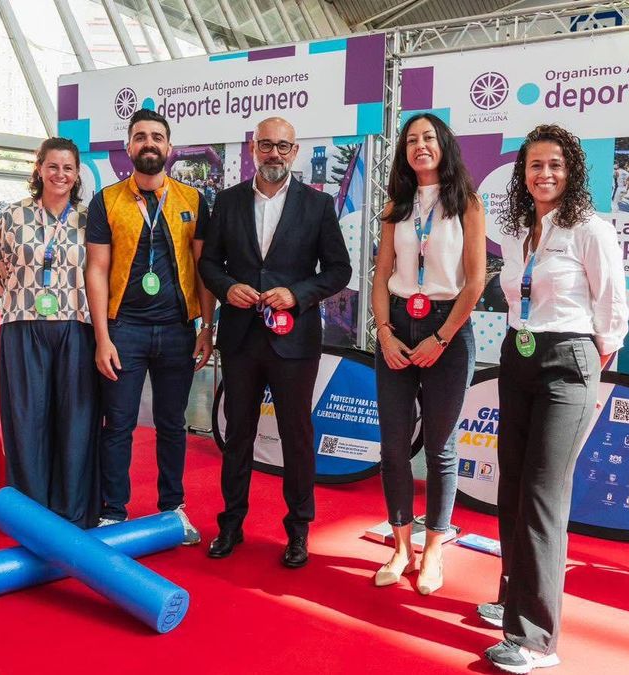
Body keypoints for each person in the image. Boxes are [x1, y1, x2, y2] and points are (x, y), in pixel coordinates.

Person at [478, 124, 628, 673]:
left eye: (556, 165)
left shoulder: (592, 229)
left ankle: (536, 639)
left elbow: (612, 312)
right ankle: (510, 600)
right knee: (512, 484)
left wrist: (587, 364)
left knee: (543, 495)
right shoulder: (519, 228)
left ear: (573, 172)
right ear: (522, 172)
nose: (545, 174)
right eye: (535, 165)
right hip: (518, 356)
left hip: (569, 362)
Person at [199, 116, 351, 568]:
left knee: (296, 436)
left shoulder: (318, 206)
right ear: (252, 149)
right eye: (266, 145)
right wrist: (228, 287)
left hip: (295, 342)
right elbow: (208, 264)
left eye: (283, 147)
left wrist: (298, 294)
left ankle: (299, 530)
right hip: (242, 338)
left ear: (296, 151)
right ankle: (230, 524)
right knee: (236, 433)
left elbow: (338, 270)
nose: (274, 155)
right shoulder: (225, 202)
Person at [85, 109, 214, 544]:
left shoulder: (193, 200)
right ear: (128, 147)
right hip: (125, 331)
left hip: (178, 329)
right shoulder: (106, 200)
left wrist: (207, 326)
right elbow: (96, 270)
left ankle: (172, 510)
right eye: (140, 137)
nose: (149, 144)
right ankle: (112, 512)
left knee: (173, 424)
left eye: (157, 137)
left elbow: (203, 268)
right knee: (117, 423)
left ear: (169, 148)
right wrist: (102, 336)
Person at [370, 113, 485, 594]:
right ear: (404, 151)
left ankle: (434, 548)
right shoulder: (397, 205)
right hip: (397, 322)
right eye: (412, 139)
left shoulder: (467, 203)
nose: (421, 145)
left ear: (444, 146)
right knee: (394, 446)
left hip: (447, 328)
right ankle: (401, 547)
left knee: (440, 448)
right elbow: (380, 276)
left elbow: (476, 281)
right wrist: (384, 332)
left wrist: (440, 339)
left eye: (429, 138)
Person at [0, 136, 99, 526]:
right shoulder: (11, 216)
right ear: (39, 169)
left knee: (76, 418)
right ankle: (30, 516)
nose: (60, 175)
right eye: (52, 166)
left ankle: (73, 511)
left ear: (77, 173)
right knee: (25, 418)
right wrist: (27, 298)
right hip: (23, 325)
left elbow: (100, 275)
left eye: (68, 168)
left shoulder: (90, 220)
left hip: (76, 325)